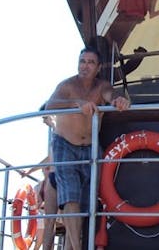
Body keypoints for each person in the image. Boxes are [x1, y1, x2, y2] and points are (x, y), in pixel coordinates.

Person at [45, 46, 130, 250]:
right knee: (71, 197)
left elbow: (110, 94)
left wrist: (118, 100)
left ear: (98, 67)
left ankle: (74, 245)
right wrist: (76, 102)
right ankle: (77, 247)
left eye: (90, 62)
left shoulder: (101, 86)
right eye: (82, 61)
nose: (85, 66)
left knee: (85, 203)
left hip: (91, 149)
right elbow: (50, 105)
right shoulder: (67, 85)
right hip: (65, 145)